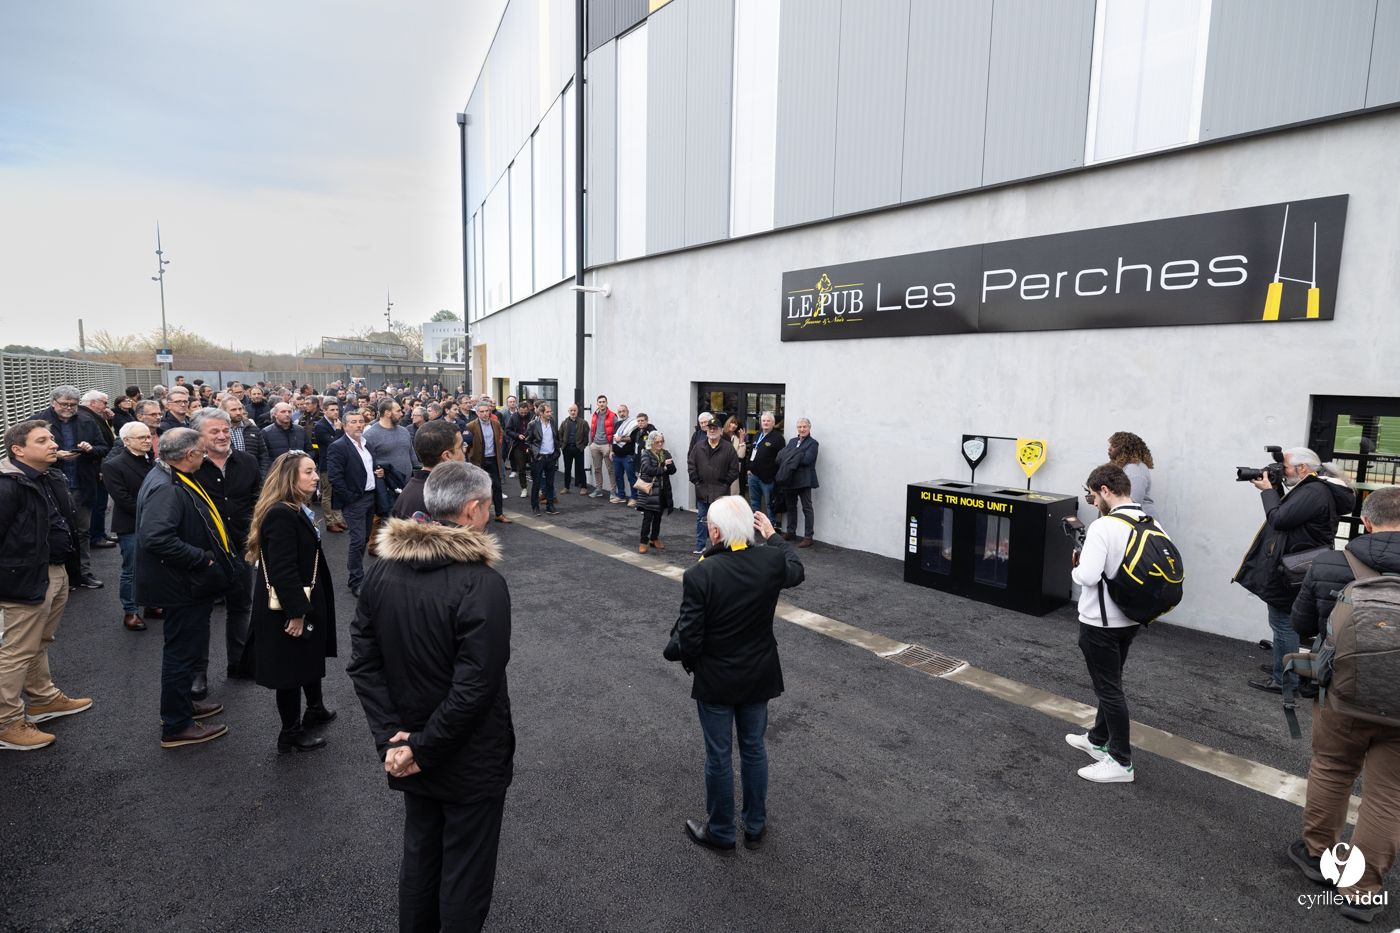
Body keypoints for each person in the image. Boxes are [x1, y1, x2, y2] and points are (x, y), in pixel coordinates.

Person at [348, 461, 514, 932]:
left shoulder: (382, 571)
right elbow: (476, 687)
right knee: (465, 873)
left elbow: (365, 663)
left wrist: (395, 742)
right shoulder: (481, 583)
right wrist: (420, 747)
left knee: (421, 857)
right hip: (465, 754)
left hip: (407, 745)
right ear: (473, 509)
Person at [1287, 485, 1400, 922]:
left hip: (1342, 694)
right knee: (1389, 793)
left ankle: (1318, 855)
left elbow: (1301, 622)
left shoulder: (1335, 560)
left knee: (1333, 770)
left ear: (1366, 522)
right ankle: (1362, 889)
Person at [668, 496, 804, 852]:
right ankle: (755, 827)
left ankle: (722, 832)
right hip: (759, 673)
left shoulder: (700, 573)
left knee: (719, 755)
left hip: (716, 678)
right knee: (754, 749)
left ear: (715, 531)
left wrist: (692, 665)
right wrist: (773, 535)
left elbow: (691, 636)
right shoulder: (771, 560)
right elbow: (796, 568)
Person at [134, 428, 236, 748]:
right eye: (202, 452)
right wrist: (201, 560)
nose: (205, 457)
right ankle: (177, 725)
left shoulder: (167, 475)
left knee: (184, 650)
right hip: (183, 585)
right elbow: (156, 538)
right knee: (181, 653)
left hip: (185, 584)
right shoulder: (166, 486)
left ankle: (180, 708)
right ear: (189, 455)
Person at [0, 420, 92, 752]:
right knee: (16, 650)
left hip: (55, 571)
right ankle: (7, 723)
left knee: (40, 640)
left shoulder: (49, 475)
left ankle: (42, 700)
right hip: (24, 578)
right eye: (43, 440)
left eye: (52, 438)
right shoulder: (7, 485)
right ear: (18, 450)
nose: (53, 444)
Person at [1234, 447, 1355, 695]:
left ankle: (1284, 680)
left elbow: (1279, 519)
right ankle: (1286, 668)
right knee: (1286, 621)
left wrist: (1268, 491)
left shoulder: (1313, 491)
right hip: (1297, 565)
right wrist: (1275, 487)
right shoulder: (1314, 488)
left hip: (1293, 569)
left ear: (1303, 468)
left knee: (1283, 623)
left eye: (1285, 467)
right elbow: (1287, 513)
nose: (1282, 471)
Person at [1065, 463, 1158, 784]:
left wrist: (1074, 568)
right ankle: (1097, 740)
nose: (1093, 501)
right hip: (1130, 617)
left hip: (1100, 622)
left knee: (1109, 689)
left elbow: (1087, 576)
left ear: (1106, 490)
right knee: (1111, 683)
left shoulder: (1105, 527)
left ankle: (1120, 760)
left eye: (1092, 495)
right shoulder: (1148, 521)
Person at [246, 452, 338, 753]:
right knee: (290, 667)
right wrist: (296, 613)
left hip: (303, 597)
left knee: (308, 654)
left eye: (315, 471)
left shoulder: (295, 507)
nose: (315, 477)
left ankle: (315, 708)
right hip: (287, 606)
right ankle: (290, 732)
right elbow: (282, 569)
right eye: (308, 472)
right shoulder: (281, 514)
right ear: (290, 477)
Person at [190, 409, 263, 688]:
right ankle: (198, 674)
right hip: (203, 553)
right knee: (201, 613)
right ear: (199, 436)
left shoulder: (247, 461)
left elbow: (259, 502)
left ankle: (240, 664)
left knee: (241, 607)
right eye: (215, 432)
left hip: (241, 550)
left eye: (226, 430)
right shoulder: (189, 465)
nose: (223, 436)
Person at [27, 386, 107, 589]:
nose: (69, 408)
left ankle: (82, 574)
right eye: (64, 404)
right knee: (50, 531)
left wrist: (90, 449)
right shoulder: (37, 422)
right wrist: (55, 456)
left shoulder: (87, 420)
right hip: (49, 485)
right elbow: (25, 453)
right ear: (53, 402)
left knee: (82, 532)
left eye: (73, 405)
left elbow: (103, 447)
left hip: (81, 484)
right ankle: (55, 577)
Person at [326, 410, 386, 597]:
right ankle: (356, 580)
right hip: (355, 500)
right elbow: (335, 477)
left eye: (361, 421)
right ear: (345, 426)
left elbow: (369, 468)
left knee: (365, 537)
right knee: (358, 540)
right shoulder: (338, 447)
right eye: (353, 422)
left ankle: (360, 576)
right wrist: (350, 498)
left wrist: (379, 473)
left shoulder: (367, 444)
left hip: (370, 497)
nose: (359, 424)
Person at [103, 421, 156, 631]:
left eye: (148, 436)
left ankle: (151, 605)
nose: (147, 440)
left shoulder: (152, 460)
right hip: (131, 524)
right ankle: (131, 611)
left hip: (155, 523)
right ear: (126, 441)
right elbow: (123, 499)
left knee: (155, 565)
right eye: (141, 438)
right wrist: (156, 512)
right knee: (132, 570)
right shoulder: (113, 465)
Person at [688, 418, 741, 555]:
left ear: (720, 431)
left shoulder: (728, 448)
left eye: (715, 428)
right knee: (701, 518)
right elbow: (691, 464)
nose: (712, 430)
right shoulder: (698, 446)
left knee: (719, 520)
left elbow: (734, 469)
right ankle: (700, 545)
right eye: (710, 428)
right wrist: (695, 480)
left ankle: (717, 546)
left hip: (720, 490)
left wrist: (726, 482)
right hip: (702, 489)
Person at [394, 420, 465, 520]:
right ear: (447, 455)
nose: (464, 450)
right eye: (461, 446)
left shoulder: (413, 491)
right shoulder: (440, 498)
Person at [81, 390, 119, 550]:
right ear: (93, 403)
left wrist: (109, 421)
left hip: (99, 466)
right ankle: (96, 536)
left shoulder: (93, 416)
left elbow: (105, 437)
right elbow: (95, 445)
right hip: (96, 469)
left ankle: (100, 533)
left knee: (100, 502)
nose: (107, 406)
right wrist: (99, 469)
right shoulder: (87, 418)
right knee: (98, 503)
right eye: (104, 402)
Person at [464, 400, 511, 524]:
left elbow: (498, 440)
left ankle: (499, 514)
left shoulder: (495, 424)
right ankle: (479, 515)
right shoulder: (471, 426)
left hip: (493, 459)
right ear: (477, 413)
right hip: (479, 461)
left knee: (497, 486)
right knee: (478, 490)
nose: (485, 414)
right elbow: (467, 445)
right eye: (482, 412)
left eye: (487, 411)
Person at [778, 419, 819, 548]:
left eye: (804, 427)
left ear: (810, 427)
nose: (802, 429)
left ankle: (808, 536)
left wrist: (791, 455)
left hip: (804, 480)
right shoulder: (792, 441)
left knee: (807, 508)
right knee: (791, 506)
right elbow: (781, 456)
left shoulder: (813, 444)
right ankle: (791, 532)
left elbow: (806, 460)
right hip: (790, 479)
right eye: (800, 427)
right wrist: (796, 455)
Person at [636, 431, 676, 552]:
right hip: (650, 491)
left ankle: (654, 539)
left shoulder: (666, 453)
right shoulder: (646, 454)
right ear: (651, 442)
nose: (659, 444)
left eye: (661, 441)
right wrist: (663, 467)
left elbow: (673, 471)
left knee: (658, 517)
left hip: (663, 491)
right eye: (657, 442)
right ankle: (643, 542)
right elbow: (648, 469)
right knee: (648, 518)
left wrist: (668, 466)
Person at [313, 400, 347, 532]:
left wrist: (337, 432)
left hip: (339, 463)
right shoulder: (320, 426)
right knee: (327, 494)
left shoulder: (339, 423)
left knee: (337, 492)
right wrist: (338, 430)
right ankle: (329, 521)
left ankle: (338, 519)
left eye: (337, 410)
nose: (335, 412)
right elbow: (335, 444)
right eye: (332, 410)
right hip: (327, 464)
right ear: (325, 411)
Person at [745, 411, 785, 524]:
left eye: (768, 421)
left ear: (773, 422)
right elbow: (751, 453)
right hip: (753, 476)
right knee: (754, 502)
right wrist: (748, 468)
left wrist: (775, 475)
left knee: (769, 504)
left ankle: (770, 526)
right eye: (764, 421)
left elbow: (781, 459)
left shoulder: (778, 438)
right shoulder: (757, 435)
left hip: (768, 478)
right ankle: (757, 524)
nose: (765, 423)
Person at [1108, 432, 1158, 521]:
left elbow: (1132, 503)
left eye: (1114, 446)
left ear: (1125, 449)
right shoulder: (1127, 467)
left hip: (1140, 524)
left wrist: (1104, 501)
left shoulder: (1135, 470)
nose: (1109, 449)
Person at [525, 402, 561, 516]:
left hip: (551, 458)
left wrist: (556, 454)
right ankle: (535, 507)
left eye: (550, 412)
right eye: (547, 412)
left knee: (550, 483)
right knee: (536, 484)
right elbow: (528, 441)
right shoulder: (533, 424)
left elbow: (557, 439)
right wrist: (536, 455)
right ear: (541, 413)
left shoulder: (553, 423)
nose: (550, 414)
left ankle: (550, 506)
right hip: (539, 458)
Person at [221, 396, 271, 476]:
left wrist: (262, 476)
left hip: (252, 476)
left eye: (240, 409)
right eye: (233, 410)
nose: (238, 412)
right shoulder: (219, 432)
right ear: (223, 411)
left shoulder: (253, 429)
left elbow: (262, 455)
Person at [611, 405, 640, 507]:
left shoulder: (634, 424)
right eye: (620, 412)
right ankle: (621, 496)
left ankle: (634, 497)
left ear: (628, 411)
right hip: (616, 456)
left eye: (623, 411)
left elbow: (633, 438)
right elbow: (613, 439)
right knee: (618, 477)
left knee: (631, 477)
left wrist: (622, 439)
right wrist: (611, 452)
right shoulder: (618, 424)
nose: (622, 413)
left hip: (628, 456)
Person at [588, 395, 616, 499]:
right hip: (595, 445)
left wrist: (611, 446)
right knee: (597, 468)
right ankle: (599, 489)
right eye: (600, 402)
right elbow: (591, 429)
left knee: (610, 469)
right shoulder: (595, 415)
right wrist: (590, 444)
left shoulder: (613, 416)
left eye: (603, 402)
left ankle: (613, 491)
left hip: (606, 446)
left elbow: (615, 432)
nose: (602, 404)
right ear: (597, 403)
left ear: (607, 403)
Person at [560, 402, 589, 495]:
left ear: (578, 411)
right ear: (568, 411)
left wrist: (582, 446)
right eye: (571, 410)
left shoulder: (583, 423)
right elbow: (559, 434)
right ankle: (566, 487)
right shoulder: (564, 423)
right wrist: (562, 445)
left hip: (578, 448)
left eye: (574, 410)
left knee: (581, 468)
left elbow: (586, 436)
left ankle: (583, 487)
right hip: (567, 448)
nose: (573, 412)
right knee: (567, 469)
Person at [504, 396, 529, 495]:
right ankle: (524, 488)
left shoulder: (531, 416)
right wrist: (517, 435)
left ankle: (539, 488)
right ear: (518, 410)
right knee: (521, 469)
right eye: (521, 412)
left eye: (525, 412)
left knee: (535, 468)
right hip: (518, 446)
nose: (523, 414)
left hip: (530, 446)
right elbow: (508, 430)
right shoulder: (514, 417)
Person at [723, 416, 746, 496]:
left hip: (733, 469)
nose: (733, 425)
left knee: (733, 495)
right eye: (732, 423)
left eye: (736, 424)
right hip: (721, 468)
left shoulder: (736, 438)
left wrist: (742, 440)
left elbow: (741, 455)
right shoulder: (720, 434)